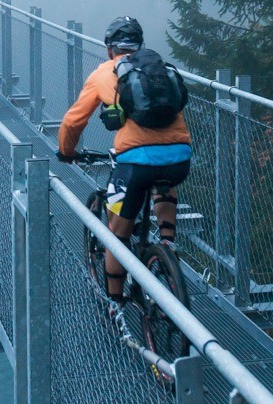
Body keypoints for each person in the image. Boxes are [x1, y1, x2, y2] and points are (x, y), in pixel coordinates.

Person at [57, 16, 191, 313]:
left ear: (109, 49)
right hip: (180, 157)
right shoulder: (161, 69)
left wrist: (66, 151)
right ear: (139, 46)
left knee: (117, 236)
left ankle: (114, 304)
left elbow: (73, 121)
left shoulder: (104, 72)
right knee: (163, 178)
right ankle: (168, 244)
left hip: (135, 165)